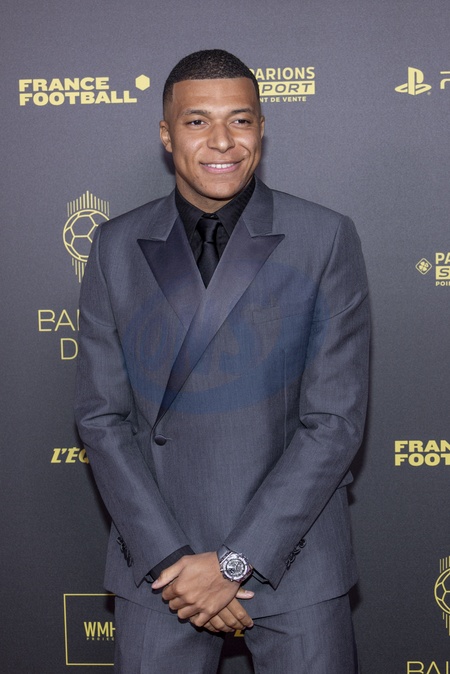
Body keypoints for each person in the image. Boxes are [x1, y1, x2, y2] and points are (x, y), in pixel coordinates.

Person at [75, 49, 370, 673]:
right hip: (163, 571)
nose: (222, 141)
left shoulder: (323, 237)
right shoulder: (114, 247)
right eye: (197, 121)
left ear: (262, 128)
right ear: (166, 134)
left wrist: (235, 562)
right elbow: (102, 419)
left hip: (294, 561)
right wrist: (174, 563)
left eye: (240, 120)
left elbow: (334, 422)